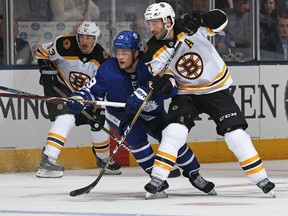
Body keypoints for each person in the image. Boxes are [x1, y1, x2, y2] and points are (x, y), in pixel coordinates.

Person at [142, 2, 275, 196]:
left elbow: (221, 19)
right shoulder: (151, 50)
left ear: (168, 21)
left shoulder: (188, 25)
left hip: (216, 88)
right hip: (186, 93)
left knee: (235, 134)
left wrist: (201, 19)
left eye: (155, 23)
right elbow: (167, 79)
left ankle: (261, 178)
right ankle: (158, 178)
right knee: (173, 131)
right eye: (149, 24)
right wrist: (165, 84)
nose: (151, 28)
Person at [66, 30, 216, 198]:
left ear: (136, 52)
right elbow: (92, 91)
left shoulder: (151, 63)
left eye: (125, 53)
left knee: (172, 138)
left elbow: (172, 88)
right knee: (135, 134)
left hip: (152, 111)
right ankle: (157, 178)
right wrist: (79, 98)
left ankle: (194, 174)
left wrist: (148, 91)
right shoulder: (108, 69)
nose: (120, 57)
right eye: (118, 52)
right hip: (121, 113)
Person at [35, 21, 121, 178]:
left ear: (96, 39)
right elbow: (41, 51)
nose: (84, 41)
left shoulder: (103, 60)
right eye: (82, 36)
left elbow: (104, 87)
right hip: (61, 89)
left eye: (89, 37)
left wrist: (100, 109)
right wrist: (46, 69)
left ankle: (103, 161)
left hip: (86, 96)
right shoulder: (64, 44)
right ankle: (48, 159)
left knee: (99, 123)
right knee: (66, 118)